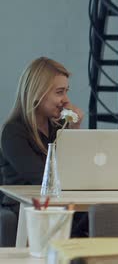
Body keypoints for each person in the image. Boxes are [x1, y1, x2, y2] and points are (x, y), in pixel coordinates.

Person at [0, 57, 86, 235]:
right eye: (59, 92)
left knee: (99, 216)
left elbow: (75, 170)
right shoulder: (13, 132)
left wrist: (74, 128)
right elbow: (43, 178)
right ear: (37, 93)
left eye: (66, 91)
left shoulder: (57, 129)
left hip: (55, 202)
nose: (66, 99)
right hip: (27, 205)